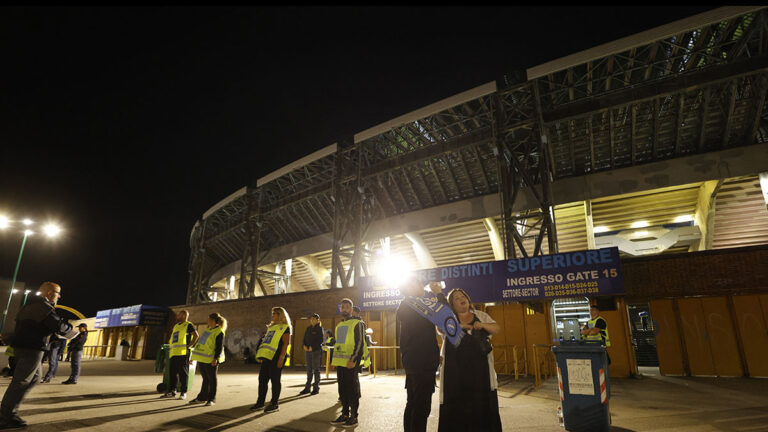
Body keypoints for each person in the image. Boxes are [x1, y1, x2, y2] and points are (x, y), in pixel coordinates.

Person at [0, 282, 72, 430]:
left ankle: (10, 412)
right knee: (20, 382)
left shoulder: (27, 306)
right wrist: (71, 329)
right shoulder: (44, 308)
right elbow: (59, 327)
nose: (59, 296)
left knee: (34, 378)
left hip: (21, 347)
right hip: (32, 349)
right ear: (50, 293)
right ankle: (5, 417)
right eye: (58, 293)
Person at [438, 288, 502, 432]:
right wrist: (458, 326)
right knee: (456, 408)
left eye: (463, 296)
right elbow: (441, 329)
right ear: (452, 305)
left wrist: (482, 325)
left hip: (480, 374)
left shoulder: (480, 315)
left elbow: (496, 328)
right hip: (455, 374)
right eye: (456, 298)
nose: (461, 299)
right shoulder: (450, 319)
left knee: (481, 407)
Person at [397, 280, 452, 432]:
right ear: (408, 289)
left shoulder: (407, 305)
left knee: (413, 402)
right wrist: (439, 293)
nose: (421, 286)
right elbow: (446, 314)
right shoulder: (416, 304)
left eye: (420, 284)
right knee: (421, 405)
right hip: (421, 361)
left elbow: (423, 334)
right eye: (415, 284)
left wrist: (434, 355)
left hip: (415, 360)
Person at [330, 298, 365, 428]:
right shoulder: (339, 325)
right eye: (342, 306)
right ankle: (344, 415)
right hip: (341, 363)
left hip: (351, 362)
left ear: (351, 309)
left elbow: (360, 343)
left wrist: (353, 360)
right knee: (342, 390)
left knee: (352, 390)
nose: (344, 308)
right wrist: (334, 361)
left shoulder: (358, 323)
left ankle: (354, 416)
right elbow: (338, 345)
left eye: (346, 307)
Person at [250, 307, 292, 413]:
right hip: (267, 357)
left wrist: (281, 358)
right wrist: (261, 356)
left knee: (275, 381)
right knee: (262, 379)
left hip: (277, 357)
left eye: (275, 313)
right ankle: (260, 403)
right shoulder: (271, 328)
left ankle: (274, 404)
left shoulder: (285, 327)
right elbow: (266, 343)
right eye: (272, 313)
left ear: (280, 315)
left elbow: (286, 344)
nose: (272, 315)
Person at [188, 312, 227, 406]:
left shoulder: (219, 332)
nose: (207, 321)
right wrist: (193, 358)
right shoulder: (207, 331)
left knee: (212, 379)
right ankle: (202, 397)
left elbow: (219, 347)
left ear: (214, 321)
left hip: (211, 360)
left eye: (209, 319)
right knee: (206, 378)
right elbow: (200, 344)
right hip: (202, 359)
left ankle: (212, 399)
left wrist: (215, 359)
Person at [161, 310, 199, 400]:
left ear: (183, 315)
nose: (177, 316)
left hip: (183, 353)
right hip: (174, 353)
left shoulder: (188, 325)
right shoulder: (176, 326)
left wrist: (189, 346)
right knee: (172, 373)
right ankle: (172, 391)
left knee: (183, 373)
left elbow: (196, 336)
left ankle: (183, 392)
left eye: (179, 314)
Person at [299, 313, 323, 395]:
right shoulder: (308, 328)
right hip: (308, 351)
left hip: (315, 351)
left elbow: (320, 340)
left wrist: (313, 347)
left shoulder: (319, 329)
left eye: (314, 319)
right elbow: (304, 338)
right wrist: (304, 346)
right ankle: (307, 388)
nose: (312, 320)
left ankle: (316, 388)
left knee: (316, 370)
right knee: (309, 370)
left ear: (318, 320)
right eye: (311, 319)